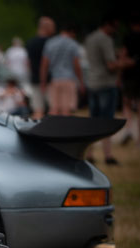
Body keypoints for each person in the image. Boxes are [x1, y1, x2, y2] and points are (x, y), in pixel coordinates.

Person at [85, 16, 136, 164]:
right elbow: (111, 65)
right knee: (106, 121)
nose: (116, 30)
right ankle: (108, 155)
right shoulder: (106, 39)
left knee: (92, 121)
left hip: (92, 82)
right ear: (108, 25)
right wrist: (129, 63)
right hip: (106, 83)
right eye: (115, 27)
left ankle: (89, 153)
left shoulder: (90, 38)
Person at [40, 23, 85, 116]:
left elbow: (44, 65)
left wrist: (43, 82)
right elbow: (76, 65)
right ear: (72, 32)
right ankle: (64, 129)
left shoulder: (50, 43)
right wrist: (81, 82)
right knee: (66, 109)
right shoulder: (73, 44)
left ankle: (52, 129)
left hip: (54, 79)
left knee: (54, 109)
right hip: (69, 79)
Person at [26, 16, 56, 119]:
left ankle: (36, 132)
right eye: (52, 26)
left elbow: (28, 63)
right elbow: (46, 63)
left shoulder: (30, 42)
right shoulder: (51, 43)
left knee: (37, 110)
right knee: (54, 109)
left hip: (34, 79)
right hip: (49, 80)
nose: (54, 29)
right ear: (46, 27)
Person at [120, 15, 140, 145]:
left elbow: (123, 56)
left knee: (126, 103)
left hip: (129, 75)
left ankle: (128, 130)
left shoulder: (128, 37)